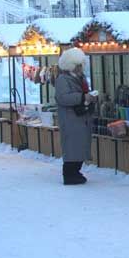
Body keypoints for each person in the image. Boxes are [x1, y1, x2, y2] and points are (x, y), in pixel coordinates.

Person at [55, 47, 97, 186]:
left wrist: (90, 98)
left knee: (79, 146)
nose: (80, 68)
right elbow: (62, 98)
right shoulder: (62, 79)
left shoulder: (80, 78)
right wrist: (83, 97)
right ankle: (70, 174)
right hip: (70, 119)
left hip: (81, 117)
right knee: (72, 147)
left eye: (81, 65)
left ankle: (76, 172)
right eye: (77, 65)